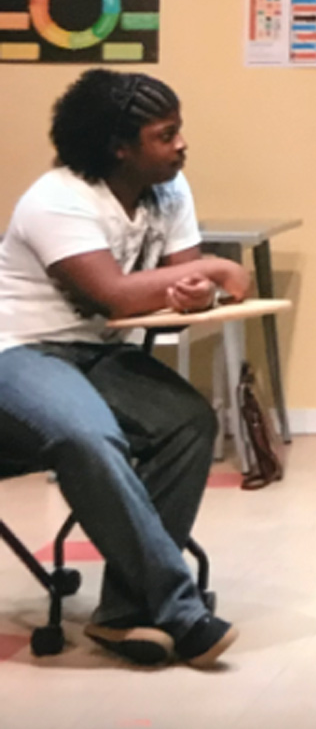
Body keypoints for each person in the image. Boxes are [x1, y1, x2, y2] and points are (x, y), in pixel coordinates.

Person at [0, 69, 250, 667]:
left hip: (95, 351)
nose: (181, 145)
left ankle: (121, 615)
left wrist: (196, 292)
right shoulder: (55, 199)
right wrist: (213, 270)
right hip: (19, 350)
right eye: (166, 136)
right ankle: (181, 612)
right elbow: (112, 294)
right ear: (120, 146)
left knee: (187, 421)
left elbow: (177, 278)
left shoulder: (169, 190)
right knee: (86, 434)